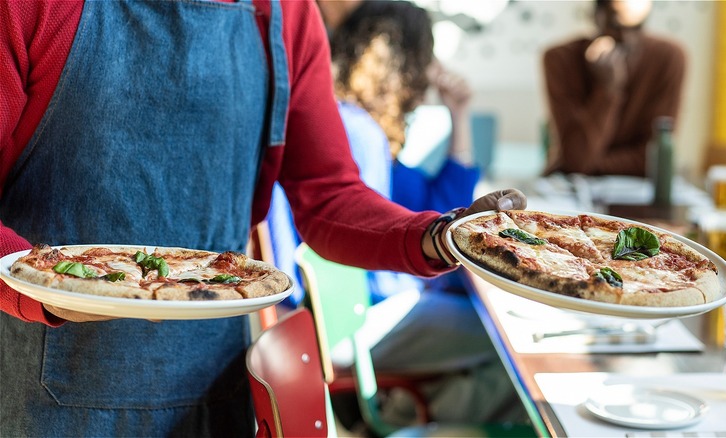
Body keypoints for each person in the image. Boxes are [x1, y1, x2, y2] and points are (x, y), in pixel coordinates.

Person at [0, 1, 526, 436]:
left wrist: (440, 234)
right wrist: (45, 287)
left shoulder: (286, 14)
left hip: (211, 383)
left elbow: (329, 196)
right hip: (37, 385)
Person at [267, 0, 526, 427]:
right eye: (428, 57)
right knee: (505, 338)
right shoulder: (361, 133)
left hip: (332, 318)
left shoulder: (356, 125)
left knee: (484, 318)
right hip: (352, 321)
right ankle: (406, 419)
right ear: (407, 61)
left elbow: (432, 199)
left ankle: (407, 413)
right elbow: (382, 272)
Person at [542, 0, 686, 177]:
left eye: (636, 27)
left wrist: (590, 165)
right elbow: (577, 157)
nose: (626, 38)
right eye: (615, 26)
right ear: (596, 17)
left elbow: (655, 158)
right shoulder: (560, 59)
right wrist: (608, 89)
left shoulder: (668, 59)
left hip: (637, 194)